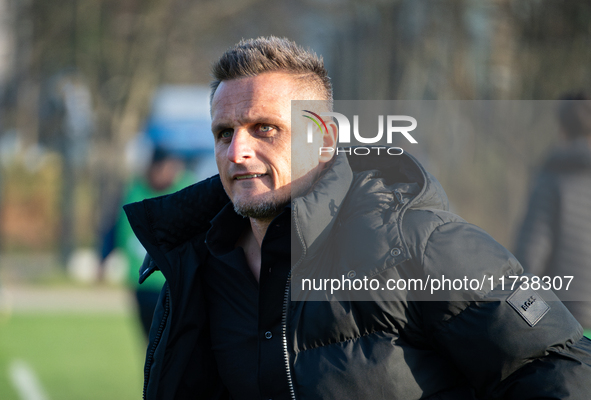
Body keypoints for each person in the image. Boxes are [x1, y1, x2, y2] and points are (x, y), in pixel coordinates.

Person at [124, 37, 591, 400]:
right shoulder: (197, 267)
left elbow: (560, 368)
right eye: (224, 133)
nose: (238, 151)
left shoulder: (415, 240)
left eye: (264, 128)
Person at [515, 93, 591, 338]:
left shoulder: (553, 178)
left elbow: (528, 263)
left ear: (562, 129)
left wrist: (535, 329)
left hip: (568, 331)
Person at [115, 146, 194, 337]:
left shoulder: (185, 189)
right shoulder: (135, 192)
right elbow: (116, 229)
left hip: (175, 283)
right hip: (143, 284)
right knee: (152, 341)